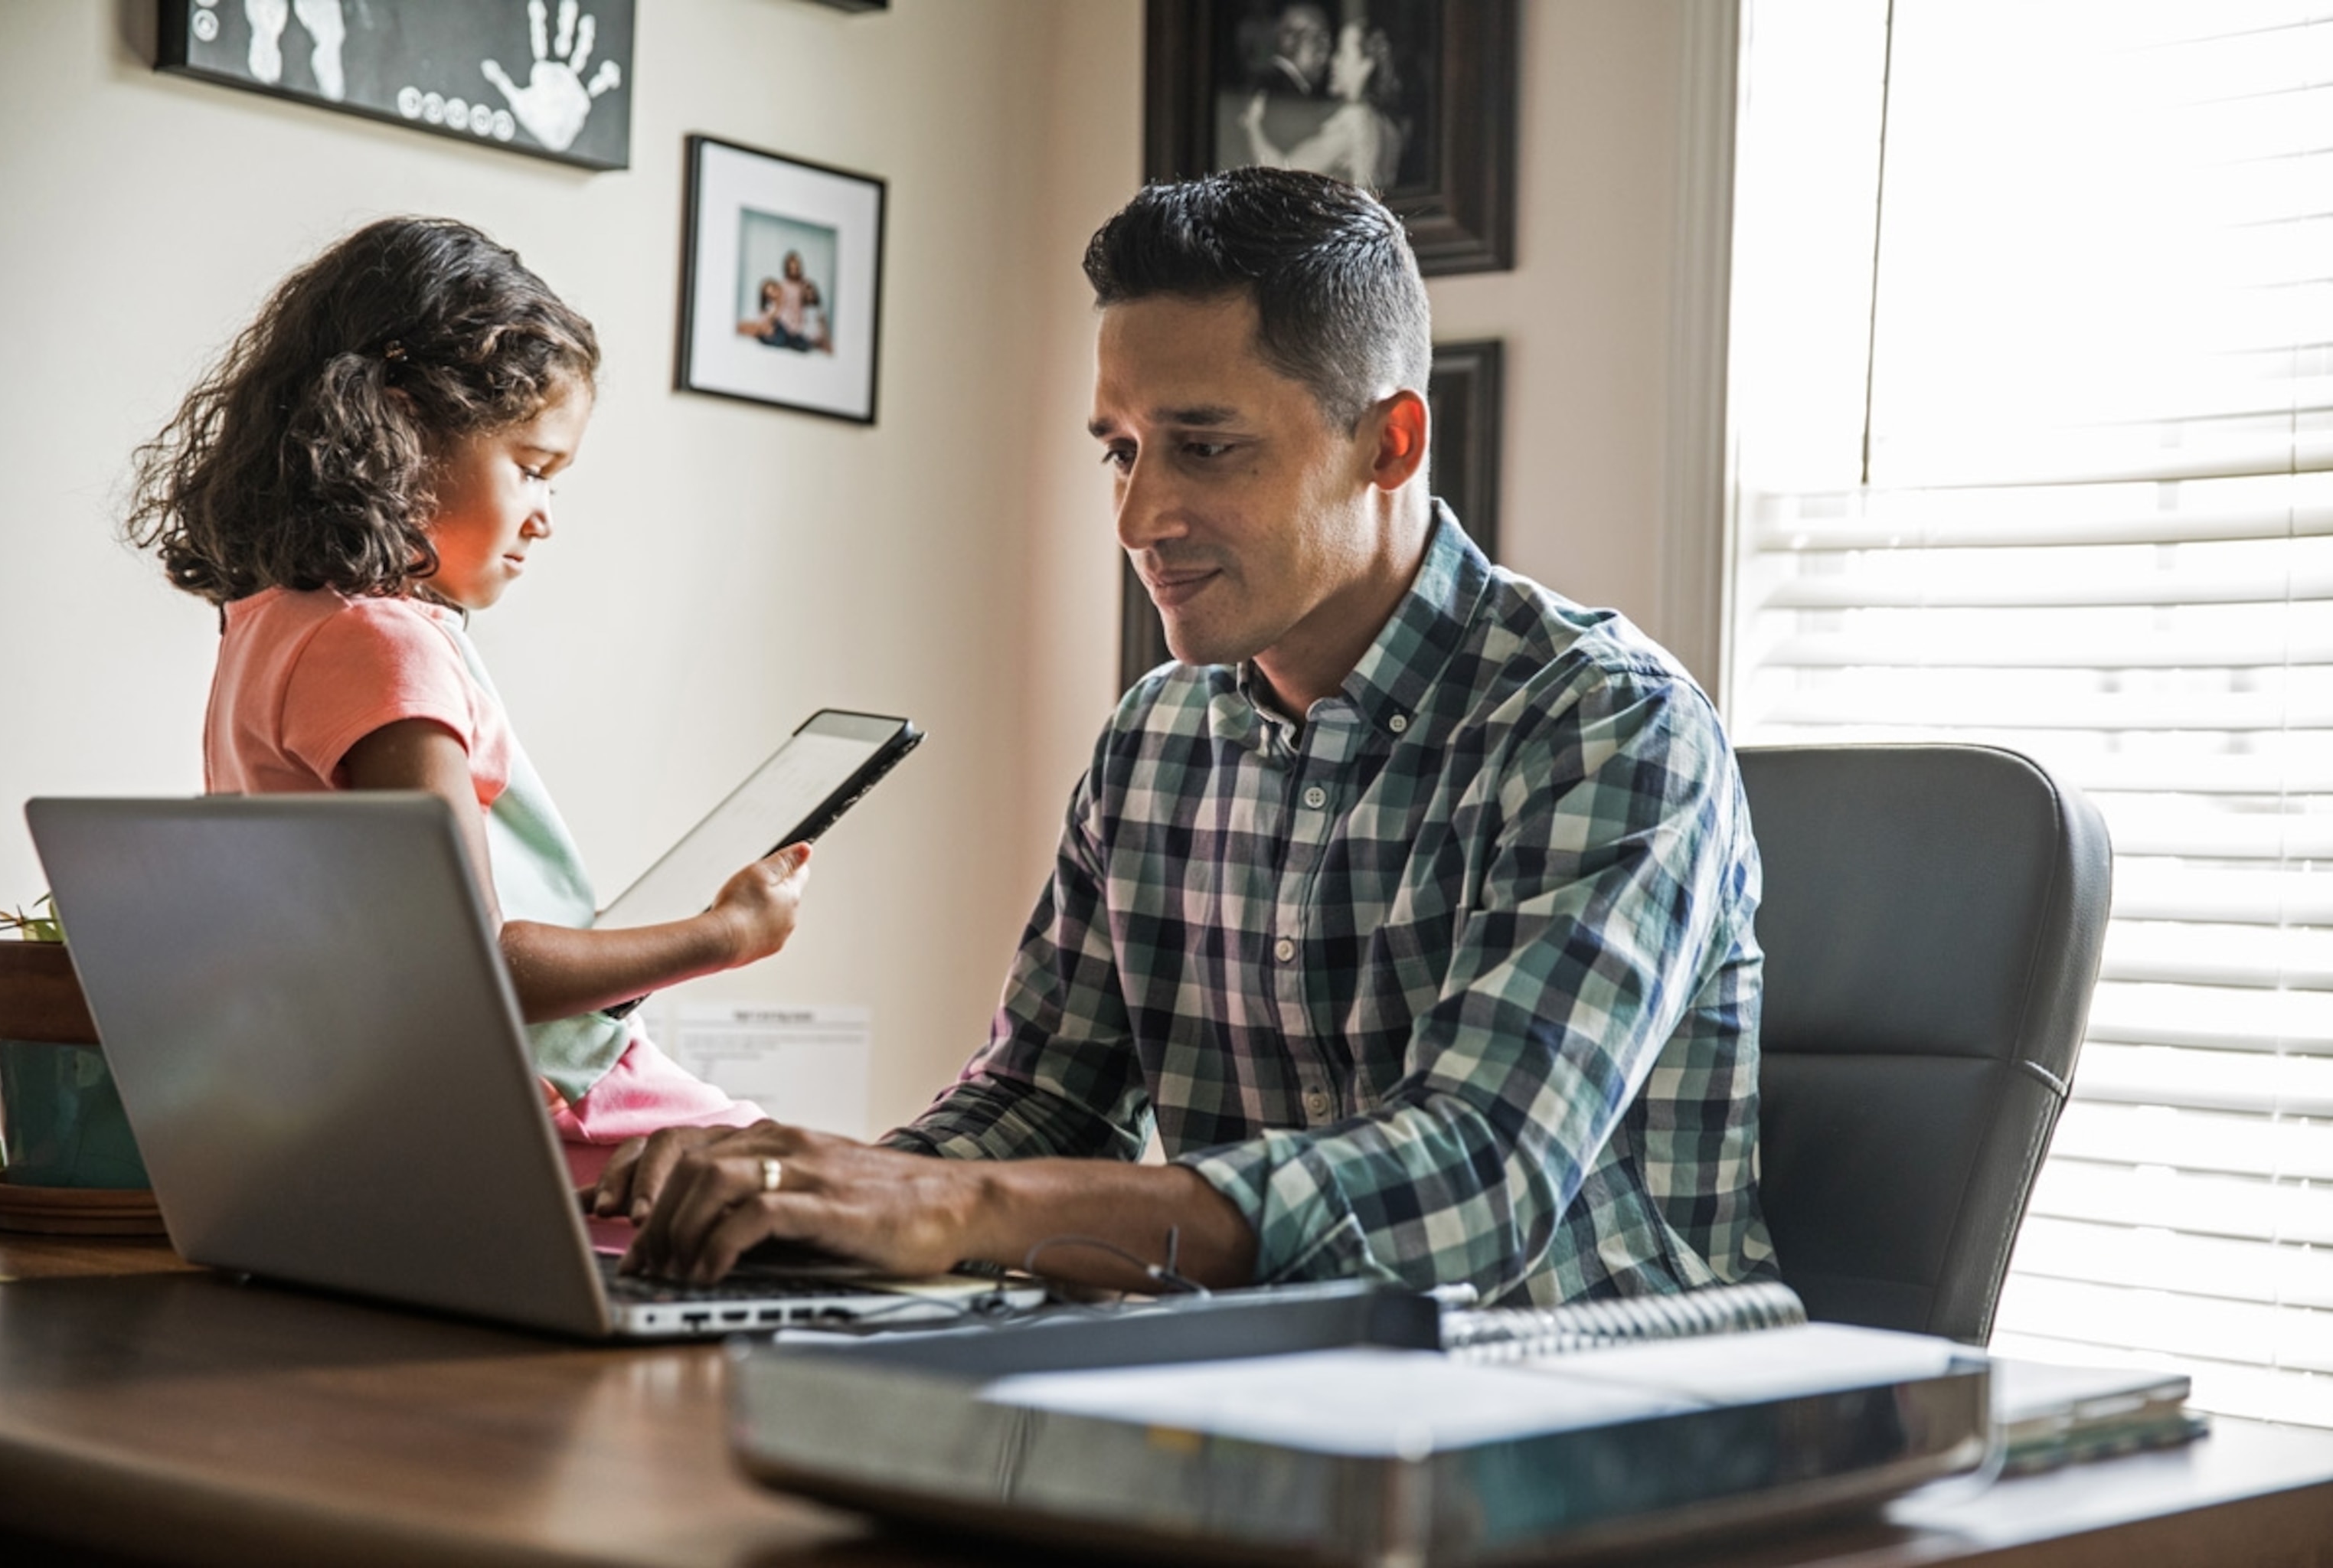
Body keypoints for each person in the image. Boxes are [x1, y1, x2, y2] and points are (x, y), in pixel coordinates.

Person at [599, 168, 1775, 1309]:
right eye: (1120, 449)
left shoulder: (1608, 722)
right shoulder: (1156, 735)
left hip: (1595, 1422)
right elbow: (1049, 1100)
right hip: (1258, 1406)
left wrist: (959, 1212)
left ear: (1390, 445)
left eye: (1205, 447)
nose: (1138, 517)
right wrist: (814, 1201)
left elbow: (1475, 1186)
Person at [122, 216, 811, 1185]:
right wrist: (724, 933)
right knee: (826, 1190)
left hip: (352, 1115)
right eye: (532, 467)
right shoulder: (384, 644)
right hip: (554, 1099)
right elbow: (469, 966)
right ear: (399, 427)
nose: (544, 516)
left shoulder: (267, 624)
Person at [1243, 18, 1404, 191]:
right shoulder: (1387, 124)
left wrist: (1253, 127)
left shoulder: (1355, 119)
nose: (1333, 61)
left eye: (1342, 53)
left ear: (1367, 65)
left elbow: (1283, 173)